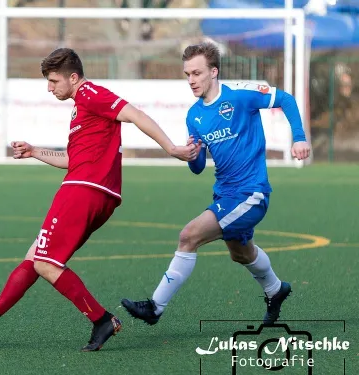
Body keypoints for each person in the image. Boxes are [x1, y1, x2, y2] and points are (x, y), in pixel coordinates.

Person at [0, 48, 198, 352]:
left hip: (82, 190)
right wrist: (35, 151)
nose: (49, 87)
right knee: (37, 257)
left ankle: (101, 319)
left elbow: (135, 114)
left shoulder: (91, 93)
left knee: (45, 262)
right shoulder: (81, 107)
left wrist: (171, 148)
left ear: (73, 77)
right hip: (96, 192)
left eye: (54, 81)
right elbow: (72, 158)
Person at [121, 42, 311, 327]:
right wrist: (193, 156)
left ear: (213, 71)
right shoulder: (194, 116)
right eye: (187, 74)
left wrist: (298, 137)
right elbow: (197, 167)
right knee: (241, 253)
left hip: (251, 193)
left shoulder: (240, 96)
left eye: (196, 73)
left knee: (189, 236)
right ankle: (275, 289)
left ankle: (155, 308)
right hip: (225, 192)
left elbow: (285, 99)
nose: (191, 80)